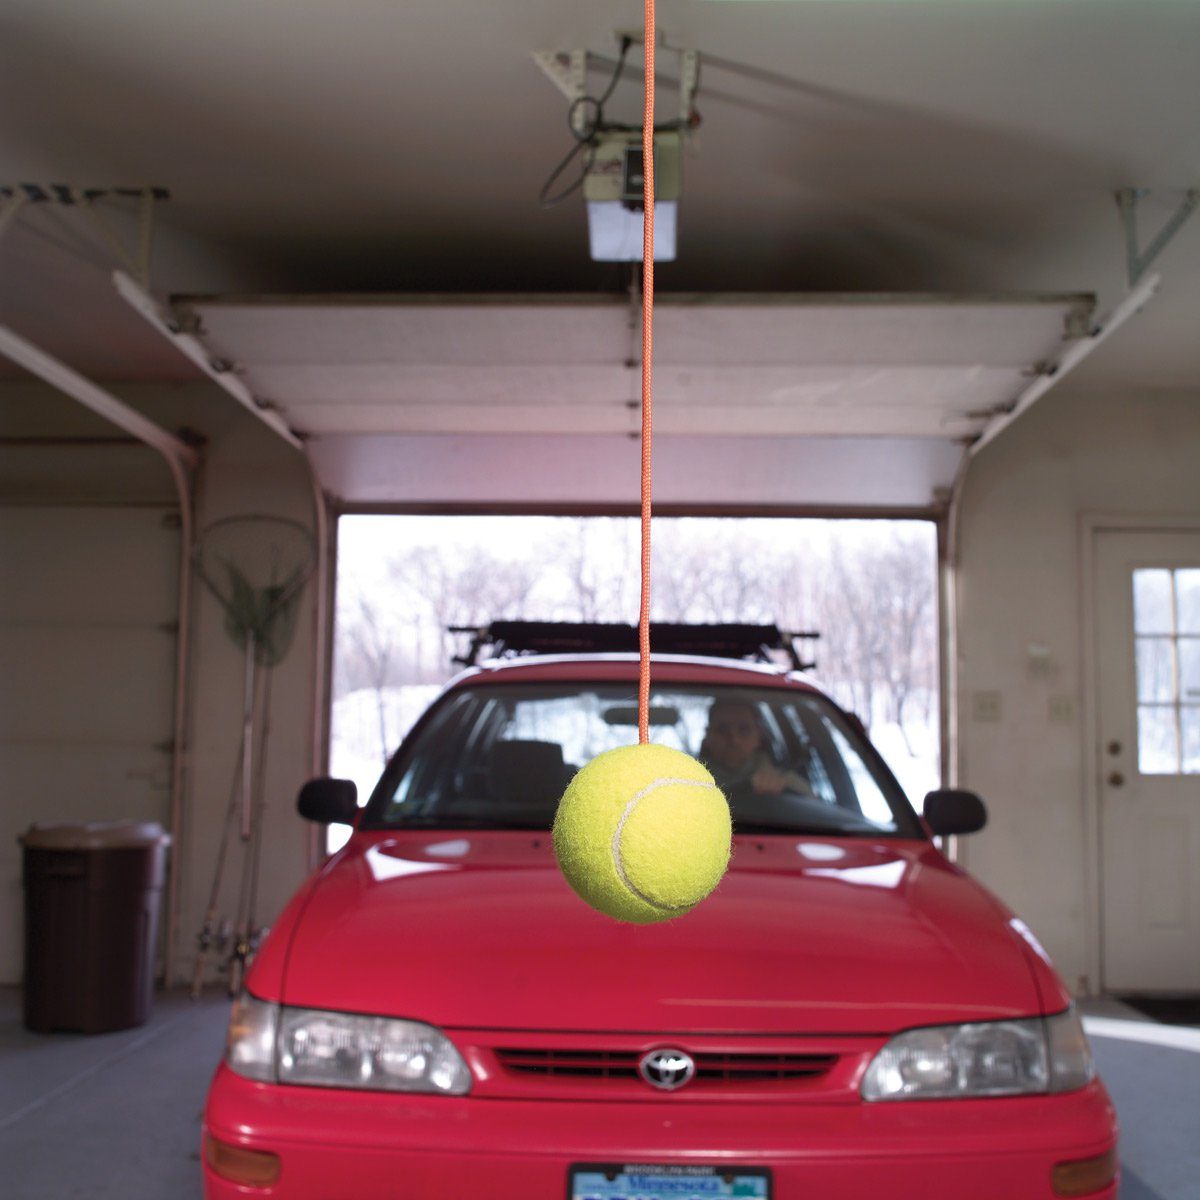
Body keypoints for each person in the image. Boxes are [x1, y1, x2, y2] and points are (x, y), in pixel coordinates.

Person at [699, 698, 809, 797]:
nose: (733, 739)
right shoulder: (689, 784)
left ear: (758, 736)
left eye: (744, 730)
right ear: (708, 736)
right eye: (722, 730)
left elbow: (817, 813)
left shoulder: (787, 783)